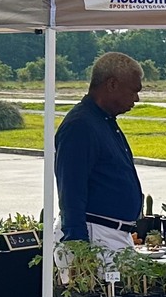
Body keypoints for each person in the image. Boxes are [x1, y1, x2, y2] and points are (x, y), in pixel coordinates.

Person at [56, 53, 145, 249]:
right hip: (95, 233)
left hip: (111, 232)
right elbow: (71, 189)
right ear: (112, 84)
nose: (136, 99)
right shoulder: (81, 126)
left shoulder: (103, 121)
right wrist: (77, 243)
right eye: (133, 91)